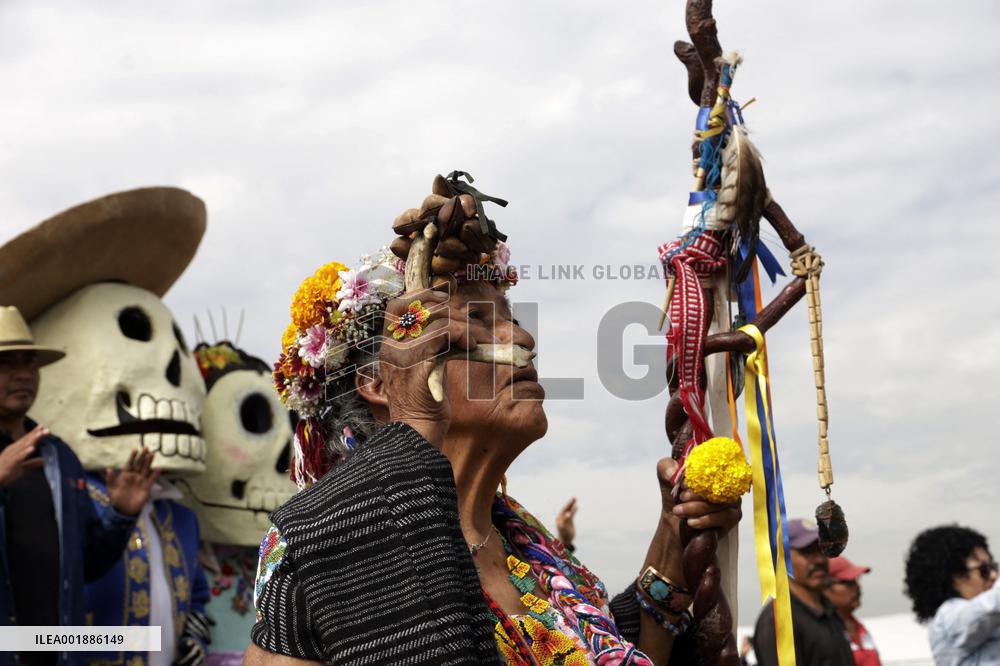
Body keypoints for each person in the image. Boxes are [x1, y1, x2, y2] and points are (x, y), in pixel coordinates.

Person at [246, 174, 742, 664]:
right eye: (476, 321)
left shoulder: (531, 553)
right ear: (380, 382)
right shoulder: (320, 542)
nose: (523, 340)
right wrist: (416, 421)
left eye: (513, 319)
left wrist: (673, 538)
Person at [0, 305, 159, 666]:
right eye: (7, 364)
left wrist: (121, 514)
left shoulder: (59, 456)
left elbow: (84, 564)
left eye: (29, 363)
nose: (23, 374)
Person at [752, 518, 854, 666]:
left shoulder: (830, 610)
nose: (819, 559)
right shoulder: (779, 620)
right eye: (807, 551)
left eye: (822, 549)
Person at [904, 525, 1000, 665]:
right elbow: (990, 606)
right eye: (984, 570)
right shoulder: (947, 618)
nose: (993, 575)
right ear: (954, 576)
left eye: (993, 567)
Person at [824, 556, 881, 666]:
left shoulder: (859, 627)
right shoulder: (823, 632)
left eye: (856, 581)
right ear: (824, 587)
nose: (857, 587)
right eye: (848, 582)